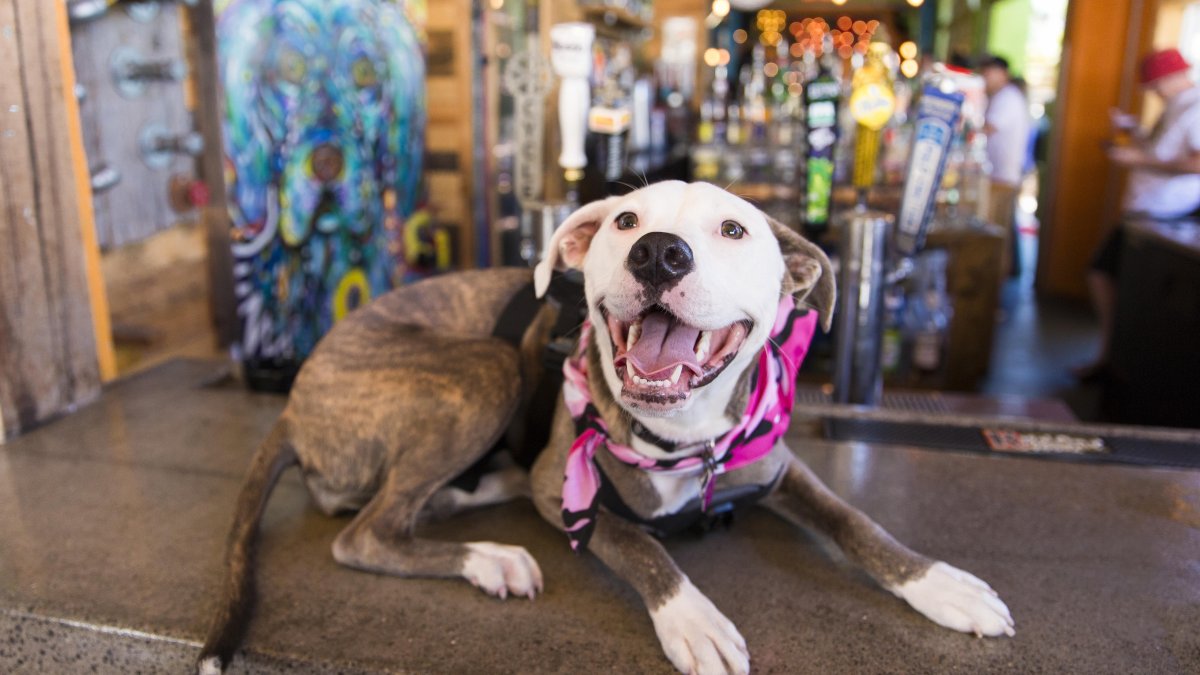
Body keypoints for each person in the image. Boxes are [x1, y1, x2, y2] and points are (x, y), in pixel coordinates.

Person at [1077, 48, 1200, 380]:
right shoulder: (1176, 107)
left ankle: (1117, 364)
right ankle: (1112, 357)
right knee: (1110, 277)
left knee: (1117, 281)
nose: (1154, 92)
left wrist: (1139, 161)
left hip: (1164, 216)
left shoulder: (1195, 107)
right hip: (1146, 211)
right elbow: (1162, 149)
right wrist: (1134, 132)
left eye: (1155, 85)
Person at [978, 55, 1032, 276]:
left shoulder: (1007, 97)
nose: (985, 78)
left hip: (1002, 177)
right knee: (1005, 231)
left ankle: (996, 290)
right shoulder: (1005, 96)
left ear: (1003, 74)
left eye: (988, 73)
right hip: (1002, 175)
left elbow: (987, 128)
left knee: (998, 236)